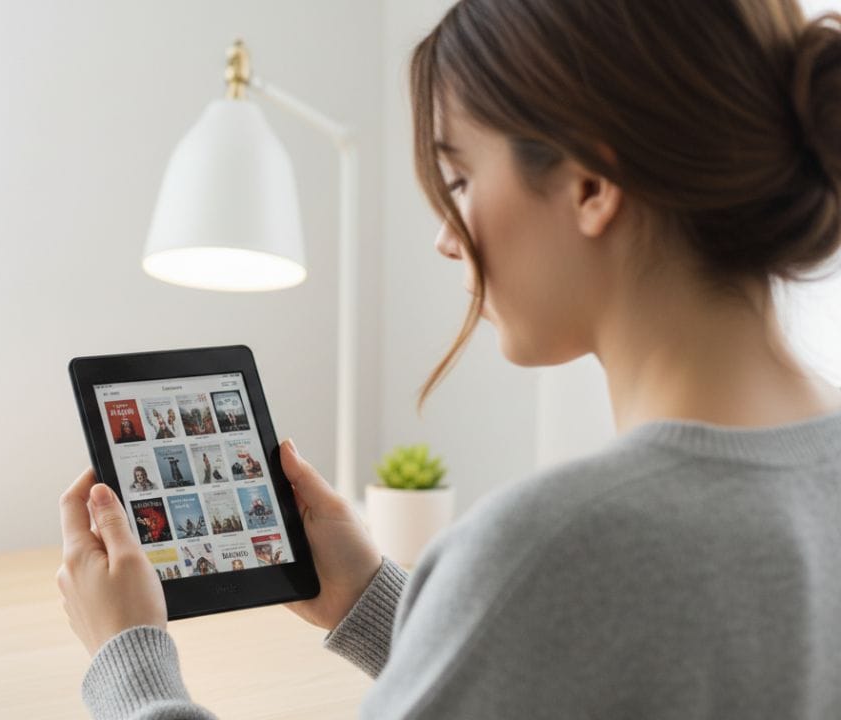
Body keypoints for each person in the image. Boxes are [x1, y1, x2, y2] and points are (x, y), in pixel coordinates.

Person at [56, 1, 841, 717]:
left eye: (459, 179)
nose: (444, 236)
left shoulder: (558, 545)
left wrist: (131, 663)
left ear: (592, 183)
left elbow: (572, 613)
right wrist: (375, 600)